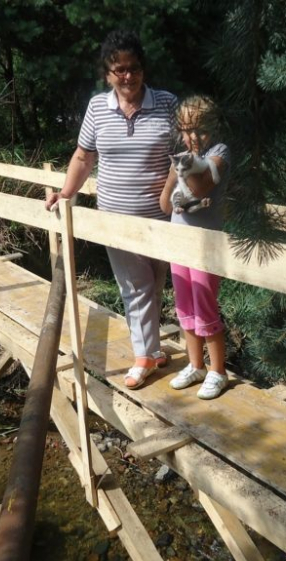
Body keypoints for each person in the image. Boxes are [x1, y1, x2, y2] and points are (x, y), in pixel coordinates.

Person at [45, 30, 176, 389]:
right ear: (108, 74)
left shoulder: (167, 104)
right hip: (115, 218)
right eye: (119, 70)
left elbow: (187, 151)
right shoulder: (97, 108)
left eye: (133, 68)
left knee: (155, 283)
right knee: (135, 287)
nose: (127, 76)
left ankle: (152, 348)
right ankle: (145, 356)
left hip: (162, 218)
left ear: (143, 69)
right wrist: (65, 192)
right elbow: (83, 156)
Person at [159, 96, 230, 399]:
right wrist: (177, 168)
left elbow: (202, 187)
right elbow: (165, 205)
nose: (192, 138)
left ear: (213, 128)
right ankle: (195, 364)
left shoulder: (220, 152)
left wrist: (184, 166)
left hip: (205, 244)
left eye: (200, 130)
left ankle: (218, 371)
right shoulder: (184, 159)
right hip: (180, 242)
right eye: (186, 130)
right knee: (184, 304)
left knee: (204, 302)